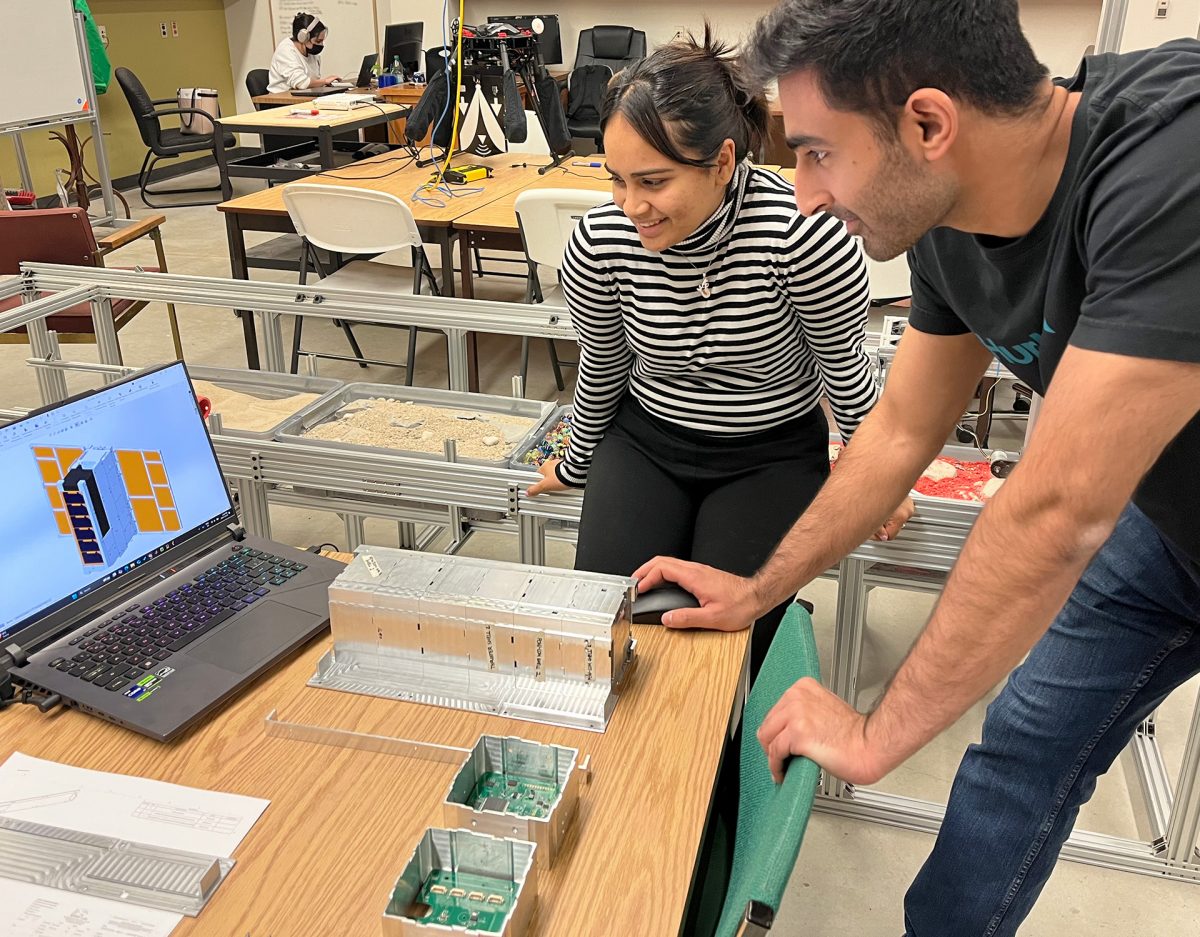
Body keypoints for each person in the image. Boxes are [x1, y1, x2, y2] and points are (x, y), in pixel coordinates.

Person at [635, 1, 1200, 934]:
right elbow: (898, 432)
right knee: (1021, 747)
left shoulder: (1171, 163)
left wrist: (872, 732)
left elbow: (1057, 508)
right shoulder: (946, 213)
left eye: (818, 152)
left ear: (929, 123)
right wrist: (758, 587)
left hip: (1135, 512)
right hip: (1172, 531)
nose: (804, 195)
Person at [525, 28, 911, 676]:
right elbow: (605, 366)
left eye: (654, 181)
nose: (632, 206)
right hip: (648, 441)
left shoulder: (802, 236)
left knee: (724, 655)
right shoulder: (600, 242)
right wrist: (576, 460)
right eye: (617, 180)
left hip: (769, 453)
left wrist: (881, 478)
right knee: (609, 623)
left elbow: (844, 368)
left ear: (723, 161)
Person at [267, 12, 340, 93]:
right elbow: (301, 84)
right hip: (280, 98)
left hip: (301, 96)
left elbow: (313, 81)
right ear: (303, 38)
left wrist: (325, 83)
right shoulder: (285, 51)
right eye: (318, 41)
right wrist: (325, 81)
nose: (321, 45)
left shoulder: (311, 53)